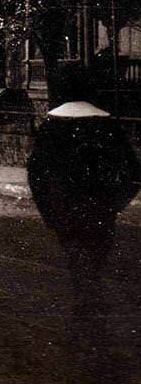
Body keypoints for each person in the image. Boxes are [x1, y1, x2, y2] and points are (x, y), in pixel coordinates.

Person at [27, 68, 140, 287]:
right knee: (96, 262)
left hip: (64, 210)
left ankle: (83, 296)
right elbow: (133, 172)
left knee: (76, 260)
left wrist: (48, 210)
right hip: (100, 212)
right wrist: (114, 204)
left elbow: (36, 174)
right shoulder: (107, 126)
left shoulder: (50, 128)